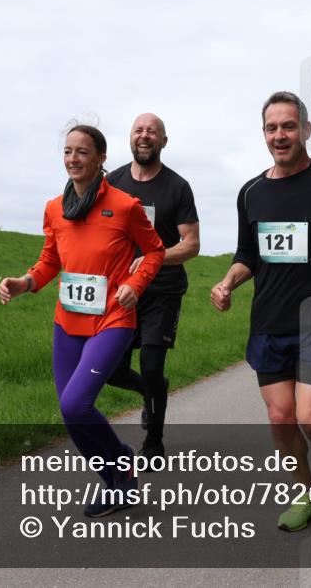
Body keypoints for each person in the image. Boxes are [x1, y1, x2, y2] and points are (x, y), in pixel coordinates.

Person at [210, 91, 311, 532]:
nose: (279, 135)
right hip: (268, 321)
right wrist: (228, 281)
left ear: (305, 129)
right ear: (263, 133)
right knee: (281, 418)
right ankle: (305, 496)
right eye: (271, 128)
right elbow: (249, 254)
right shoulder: (251, 192)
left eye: (288, 126)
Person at [0, 124, 164, 517]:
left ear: (101, 158)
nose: (73, 159)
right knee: (71, 415)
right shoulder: (55, 207)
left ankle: (121, 464)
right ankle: (118, 478)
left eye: (82, 152)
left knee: (75, 405)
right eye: (68, 152)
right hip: (67, 322)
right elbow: (50, 260)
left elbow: (154, 251)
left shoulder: (125, 205)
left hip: (113, 318)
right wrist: (24, 283)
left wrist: (135, 285)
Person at [105, 113, 200, 463]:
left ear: (163, 140)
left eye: (152, 132)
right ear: (130, 138)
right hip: (119, 292)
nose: (145, 136)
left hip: (162, 290)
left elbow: (191, 244)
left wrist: (152, 258)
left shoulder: (177, 186)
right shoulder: (111, 182)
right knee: (111, 369)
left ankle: (154, 442)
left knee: (151, 365)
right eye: (138, 131)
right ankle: (152, 394)